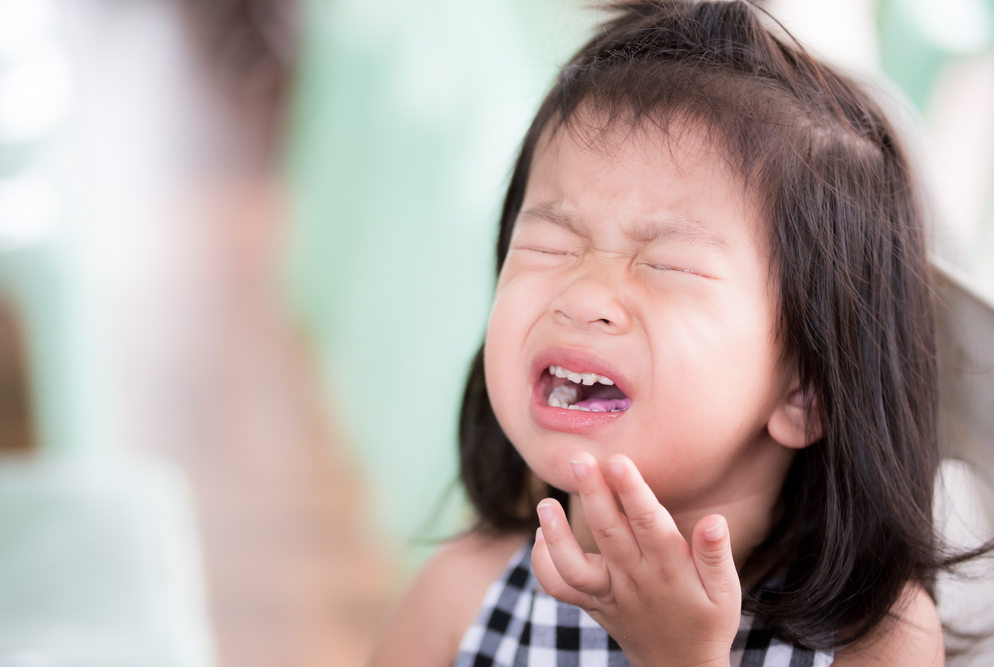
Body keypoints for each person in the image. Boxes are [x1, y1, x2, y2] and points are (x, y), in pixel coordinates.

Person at [370, 1, 962, 665]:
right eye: (549, 246)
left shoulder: (876, 639)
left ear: (806, 389)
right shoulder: (464, 593)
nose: (585, 294)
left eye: (666, 264)